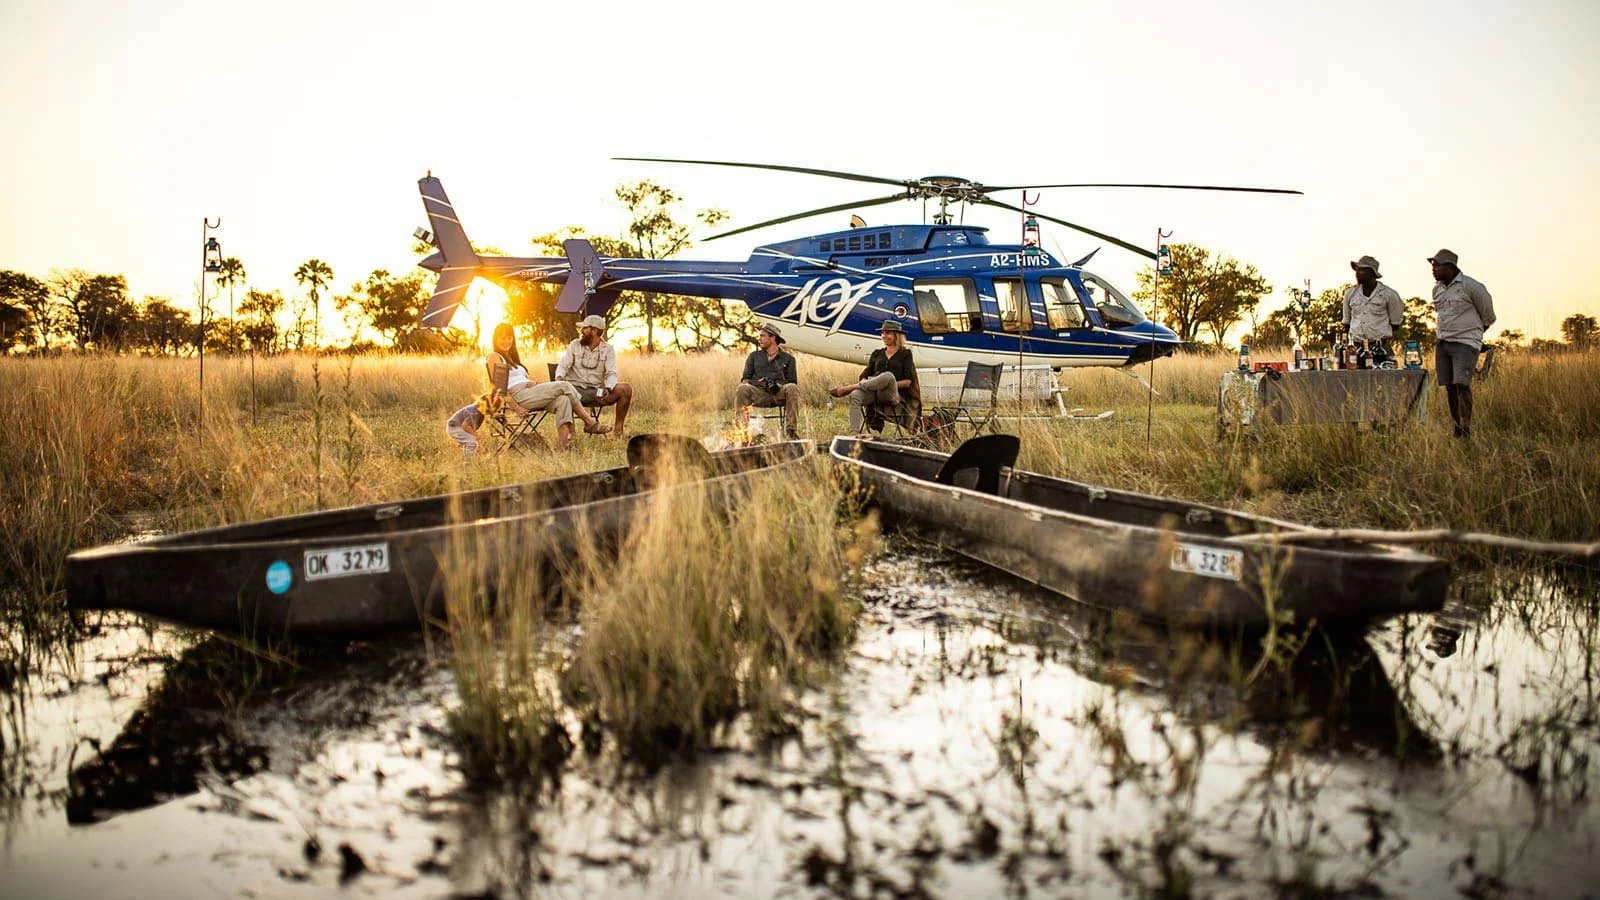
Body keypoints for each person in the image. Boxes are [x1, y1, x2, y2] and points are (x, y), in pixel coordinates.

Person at [485, 323, 610, 450]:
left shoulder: (512, 358)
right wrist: (515, 407)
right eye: (502, 337)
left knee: (563, 400)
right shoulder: (495, 356)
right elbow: (499, 388)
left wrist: (532, 382)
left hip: (531, 393)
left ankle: (564, 445)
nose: (506, 341)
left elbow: (518, 378)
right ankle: (589, 422)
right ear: (495, 338)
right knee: (565, 385)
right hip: (519, 396)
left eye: (509, 338)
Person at [1428, 249, 1496, 439]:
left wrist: (1474, 336)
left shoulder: (1471, 286)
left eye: (1437, 266)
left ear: (1449, 267)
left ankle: (1466, 428)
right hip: (1443, 341)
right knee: (1449, 386)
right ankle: (1457, 427)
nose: (1433, 270)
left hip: (1465, 342)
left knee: (1462, 384)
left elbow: (1488, 315)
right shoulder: (1437, 289)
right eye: (1433, 266)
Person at [830, 320, 919, 433]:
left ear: (896, 335)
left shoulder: (906, 354)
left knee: (888, 376)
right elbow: (867, 376)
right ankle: (855, 434)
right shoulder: (877, 353)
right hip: (873, 391)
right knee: (855, 395)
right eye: (882, 333)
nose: (884, 336)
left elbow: (907, 382)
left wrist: (886, 384)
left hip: (892, 393)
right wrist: (876, 383)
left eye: (887, 333)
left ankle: (849, 387)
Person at [555, 314, 633, 437]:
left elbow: (611, 373)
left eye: (585, 328)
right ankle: (572, 434)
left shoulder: (608, 349)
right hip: (575, 391)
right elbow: (563, 366)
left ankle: (618, 433)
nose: (582, 331)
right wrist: (559, 378)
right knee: (565, 393)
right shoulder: (575, 345)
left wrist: (608, 388)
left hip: (597, 391)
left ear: (594, 331)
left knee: (626, 389)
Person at [734, 321, 800, 439]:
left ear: (773, 337)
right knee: (742, 388)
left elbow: (792, 381)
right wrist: (761, 382)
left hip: (778, 395)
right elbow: (745, 379)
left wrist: (777, 384)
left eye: (762, 336)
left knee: (792, 388)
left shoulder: (789, 359)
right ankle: (742, 431)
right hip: (759, 394)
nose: (759, 339)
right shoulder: (754, 356)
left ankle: (791, 431)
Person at [1341, 255, 1404, 355]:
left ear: (1372, 273)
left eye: (1362, 270)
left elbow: (1395, 324)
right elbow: (1346, 322)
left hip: (1381, 348)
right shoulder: (1350, 293)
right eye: (1357, 270)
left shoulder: (1389, 294)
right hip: (1356, 347)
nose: (1357, 273)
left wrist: (1377, 334)